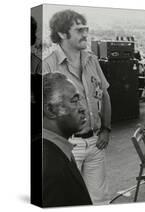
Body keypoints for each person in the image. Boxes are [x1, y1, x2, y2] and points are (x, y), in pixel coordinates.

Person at [43, 10, 112, 204]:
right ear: (63, 34)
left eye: (86, 29)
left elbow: (105, 95)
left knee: (100, 200)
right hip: (65, 146)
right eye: (80, 29)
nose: (85, 34)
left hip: (95, 142)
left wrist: (106, 129)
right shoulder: (47, 65)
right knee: (68, 200)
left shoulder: (92, 60)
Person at [36, 73, 92, 207]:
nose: (82, 108)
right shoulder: (50, 169)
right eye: (74, 101)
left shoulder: (58, 148)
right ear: (50, 109)